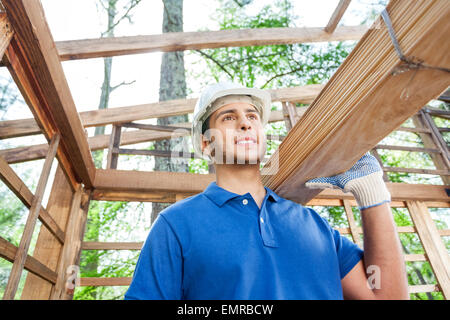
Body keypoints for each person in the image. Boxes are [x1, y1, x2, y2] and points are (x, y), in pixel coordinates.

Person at [124, 82, 409, 300]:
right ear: (206, 144)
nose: (246, 122)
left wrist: (372, 193)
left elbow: (386, 295)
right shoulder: (176, 225)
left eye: (252, 116)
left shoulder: (315, 224)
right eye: (228, 118)